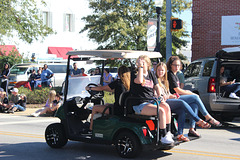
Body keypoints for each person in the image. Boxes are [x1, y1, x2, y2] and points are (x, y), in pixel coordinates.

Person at [167, 56, 222, 137]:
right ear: (170, 65)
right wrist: (190, 93)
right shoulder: (170, 74)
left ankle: (192, 129)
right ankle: (208, 117)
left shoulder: (176, 75)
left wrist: (188, 92)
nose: (177, 67)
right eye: (175, 65)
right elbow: (177, 90)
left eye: (178, 65)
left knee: (194, 104)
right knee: (195, 97)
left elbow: (179, 90)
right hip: (173, 99)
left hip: (177, 97)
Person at [156, 62, 211, 141]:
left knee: (182, 111)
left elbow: (168, 94)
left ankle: (180, 134)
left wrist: (173, 95)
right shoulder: (155, 81)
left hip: (168, 100)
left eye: (162, 70)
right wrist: (169, 96)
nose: (160, 72)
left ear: (165, 71)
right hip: (162, 103)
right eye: (159, 70)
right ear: (156, 70)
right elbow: (158, 95)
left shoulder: (165, 81)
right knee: (182, 102)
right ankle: (198, 120)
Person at [129, 55, 174, 145]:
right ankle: (163, 135)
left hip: (150, 101)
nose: (140, 64)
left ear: (148, 64)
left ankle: (168, 132)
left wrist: (160, 95)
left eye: (143, 62)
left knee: (166, 107)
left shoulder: (151, 73)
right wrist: (140, 67)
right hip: (139, 103)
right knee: (160, 110)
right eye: (139, 62)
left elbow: (156, 85)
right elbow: (140, 80)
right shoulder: (134, 73)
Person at [85, 65, 130, 131]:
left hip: (117, 110)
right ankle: (98, 125)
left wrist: (89, 88)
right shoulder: (127, 84)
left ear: (119, 73)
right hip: (123, 108)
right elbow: (111, 89)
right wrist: (100, 88)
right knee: (106, 104)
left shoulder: (117, 82)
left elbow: (102, 88)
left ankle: (91, 128)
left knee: (95, 108)